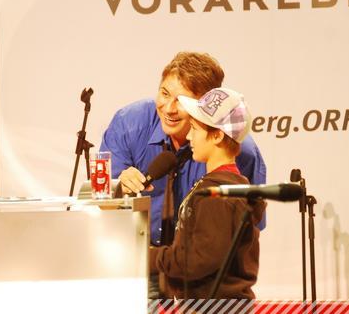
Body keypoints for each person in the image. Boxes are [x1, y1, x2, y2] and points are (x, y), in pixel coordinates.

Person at [100, 52, 266, 247]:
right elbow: (102, 203)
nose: (169, 108)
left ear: (205, 106)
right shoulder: (128, 124)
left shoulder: (236, 151)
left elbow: (246, 231)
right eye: (165, 93)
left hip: (200, 258)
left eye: (181, 100)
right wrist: (118, 187)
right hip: (132, 252)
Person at [155, 87, 266, 299]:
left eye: (194, 129)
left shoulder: (219, 195)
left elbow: (198, 259)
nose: (189, 136)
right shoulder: (226, 187)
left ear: (216, 135)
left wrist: (151, 258)